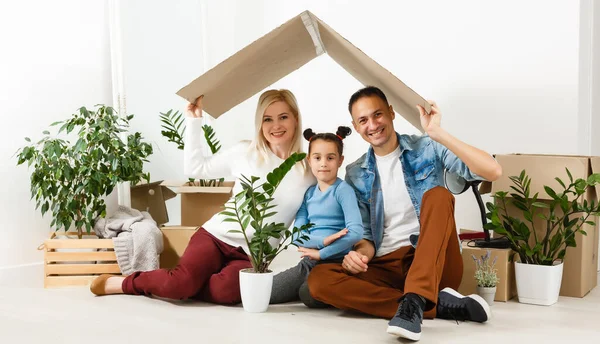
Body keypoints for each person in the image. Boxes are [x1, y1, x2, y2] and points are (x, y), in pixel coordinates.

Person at [304, 86, 502, 341]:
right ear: (355, 125)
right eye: (363, 120)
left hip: (435, 261)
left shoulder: (428, 146)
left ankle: (417, 297)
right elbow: (366, 236)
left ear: (391, 112)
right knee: (319, 280)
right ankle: (428, 304)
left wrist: (438, 133)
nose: (373, 125)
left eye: (378, 115)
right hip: (387, 266)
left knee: (439, 196)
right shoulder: (355, 173)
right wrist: (359, 255)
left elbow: (492, 171)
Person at [90, 89, 315, 304]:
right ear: (260, 123)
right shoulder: (244, 153)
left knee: (225, 293)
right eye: (267, 119)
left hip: (251, 255)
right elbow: (196, 168)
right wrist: (193, 121)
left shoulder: (309, 172)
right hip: (216, 237)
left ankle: (184, 284)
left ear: (295, 119)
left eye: (283, 117)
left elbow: (318, 213)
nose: (275, 126)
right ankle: (126, 283)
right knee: (180, 284)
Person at [269, 127, 363, 304]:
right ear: (309, 160)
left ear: (340, 160)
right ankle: (307, 286)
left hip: (336, 262)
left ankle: (320, 288)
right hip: (309, 262)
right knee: (268, 292)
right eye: (317, 158)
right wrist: (323, 241)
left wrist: (322, 253)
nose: (323, 163)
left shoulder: (343, 191)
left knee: (308, 295)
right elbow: (296, 236)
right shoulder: (309, 194)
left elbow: (356, 232)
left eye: (330, 158)